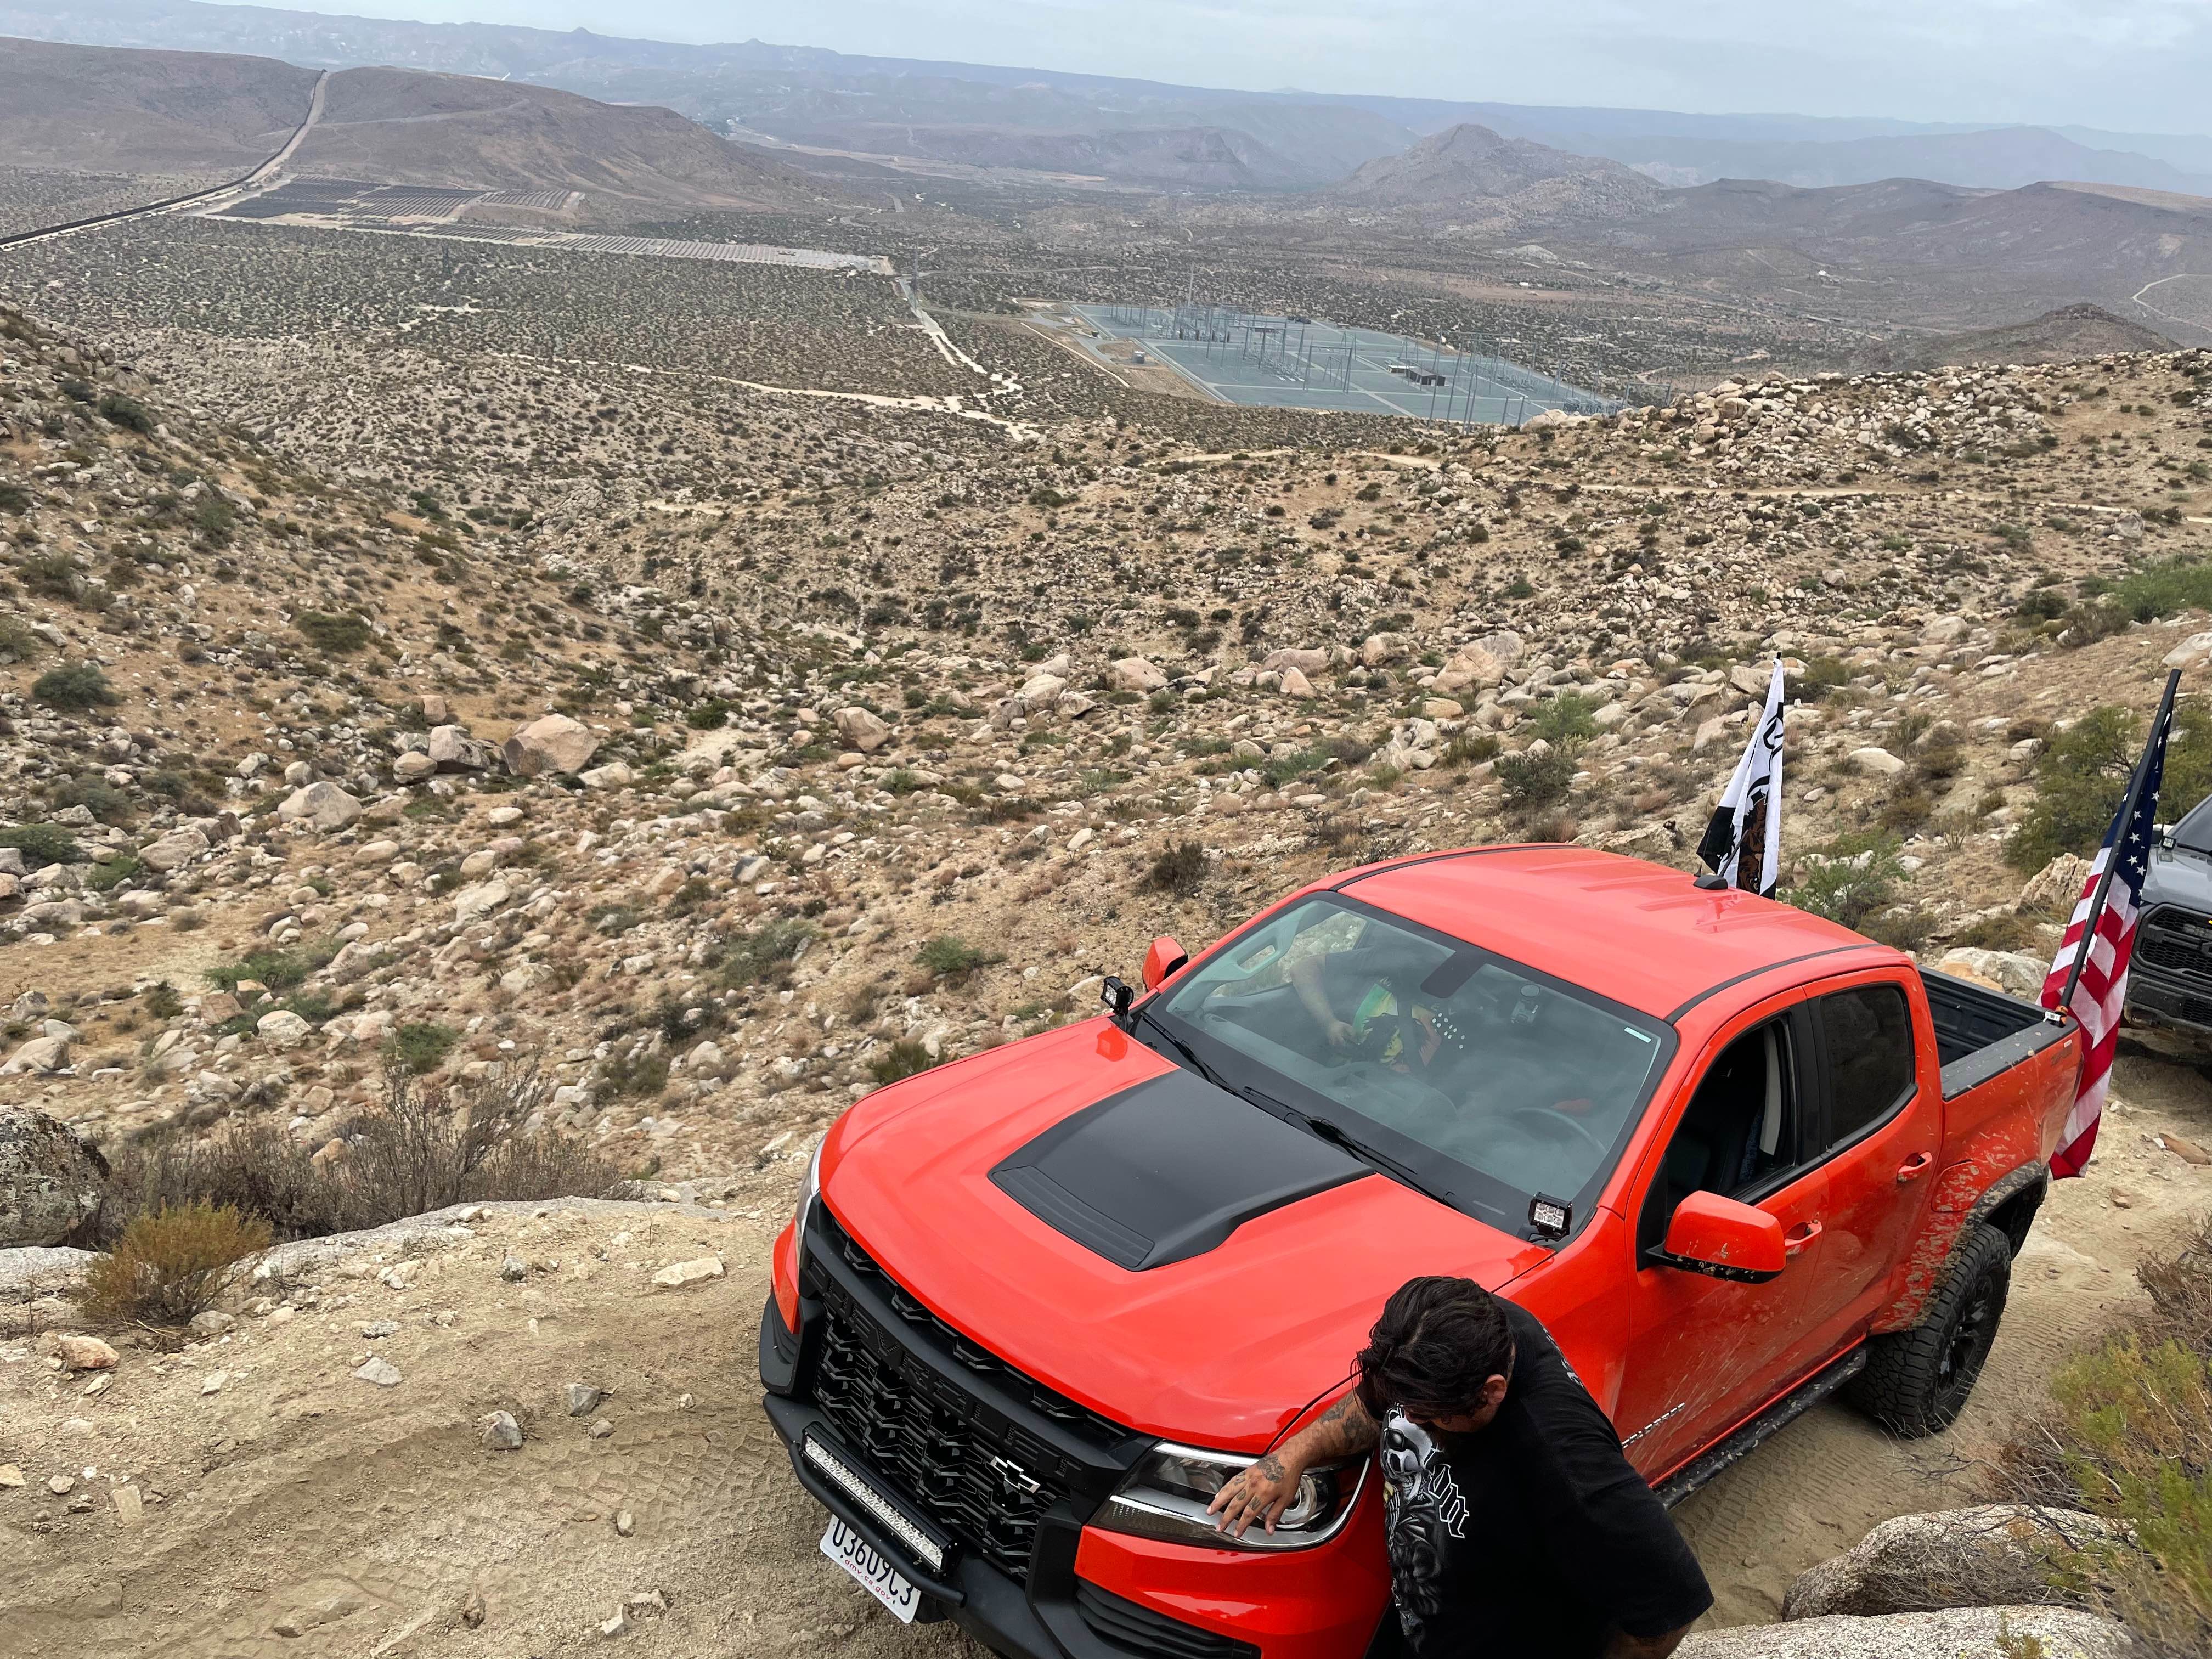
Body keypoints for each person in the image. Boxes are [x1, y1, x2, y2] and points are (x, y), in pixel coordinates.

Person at [1208, 1276, 1711, 1659]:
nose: (1413, 1422)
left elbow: (1669, 1607)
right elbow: (1375, 1403)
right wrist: (1290, 1457)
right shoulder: (1446, 1334)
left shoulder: (1569, 1465)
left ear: (1492, 1392)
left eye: (1432, 1418)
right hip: (1422, 1622)